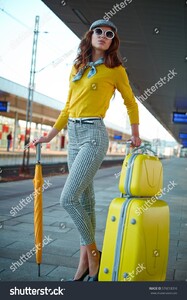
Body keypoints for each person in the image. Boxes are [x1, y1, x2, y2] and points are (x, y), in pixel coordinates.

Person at [33, 19, 141, 281]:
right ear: (90, 35)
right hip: (74, 134)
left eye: (109, 33)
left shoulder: (115, 70)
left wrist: (135, 134)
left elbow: (130, 103)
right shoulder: (77, 67)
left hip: (94, 134)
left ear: (112, 41)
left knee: (67, 198)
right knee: (85, 200)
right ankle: (85, 261)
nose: (103, 35)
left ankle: (93, 255)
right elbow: (68, 106)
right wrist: (49, 135)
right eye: (98, 31)